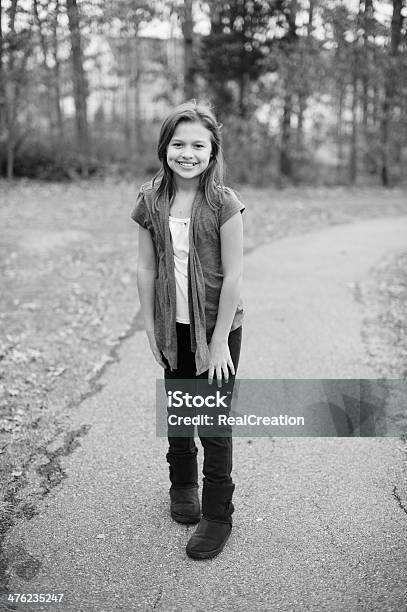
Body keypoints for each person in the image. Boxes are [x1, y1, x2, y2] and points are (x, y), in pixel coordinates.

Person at [131, 100, 245, 560]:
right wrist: (149, 328)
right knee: (180, 413)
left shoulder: (224, 203)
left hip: (218, 328)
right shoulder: (151, 198)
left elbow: (234, 276)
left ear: (213, 151)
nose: (188, 153)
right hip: (171, 324)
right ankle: (183, 485)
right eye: (179, 143)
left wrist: (218, 343)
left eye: (198, 144)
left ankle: (219, 514)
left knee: (213, 426)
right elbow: (144, 267)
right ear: (165, 148)